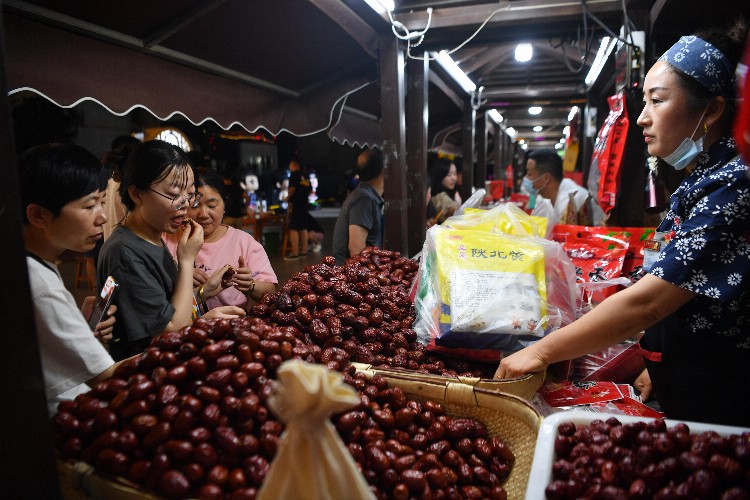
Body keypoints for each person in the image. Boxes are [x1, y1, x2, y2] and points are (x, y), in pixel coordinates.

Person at [496, 22, 750, 427]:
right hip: (686, 377)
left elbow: (648, 302)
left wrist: (541, 351)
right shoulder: (701, 178)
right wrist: (656, 361)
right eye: (643, 102)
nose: (641, 119)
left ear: (713, 109)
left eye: (657, 101)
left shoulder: (734, 183)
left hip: (722, 395)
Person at [98, 140, 245, 361]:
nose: (185, 205)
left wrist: (204, 291)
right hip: (145, 374)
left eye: (190, 195)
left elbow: (165, 304)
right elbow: (169, 332)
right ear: (137, 194)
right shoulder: (125, 253)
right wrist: (186, 261)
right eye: (174, 194)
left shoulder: (153, 237)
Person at [18, 143, 131, 415]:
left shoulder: (36, 264)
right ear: (39, 215)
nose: (102, 217)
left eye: (102, 202)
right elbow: (108, 377)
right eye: (90, 205)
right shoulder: (40, 285)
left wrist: (78, 326)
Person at [165, 171, 277, 311]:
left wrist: (250, 285)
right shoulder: (167, 238)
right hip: (182, 327)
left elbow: (271, 292)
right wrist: (180, 275)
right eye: (195, 206)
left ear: (224, 206)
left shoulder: (244, 242)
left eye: (212, 206)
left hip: (231, 328)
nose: (204, 214)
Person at [332, 149, 385, 266]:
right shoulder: (364, 199)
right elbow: (356, 248)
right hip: (349, 278)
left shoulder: (366, 195)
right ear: (383, 171)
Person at [522, 148, 592, 225]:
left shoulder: (571, 200)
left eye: (529, 174)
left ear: (546, 178)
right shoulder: (542, 197)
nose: (526, 178)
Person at [284, 160, 312, 260]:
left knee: (293, 228)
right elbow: (309, 190)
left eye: (290, 166)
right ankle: (304, 252)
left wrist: (287, 198)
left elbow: (292, 189)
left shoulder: (294, 175)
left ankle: (295, 254)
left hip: (296, 205)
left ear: (293, 166)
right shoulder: (305, 176)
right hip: (304, 205)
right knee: (303, 228)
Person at [428, 158, 462, 224]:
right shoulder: (439, 196)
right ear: (440, 175)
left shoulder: (452, 192)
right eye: (449, 175)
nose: (453, 178)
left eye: (455, 174)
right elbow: (453, 209)